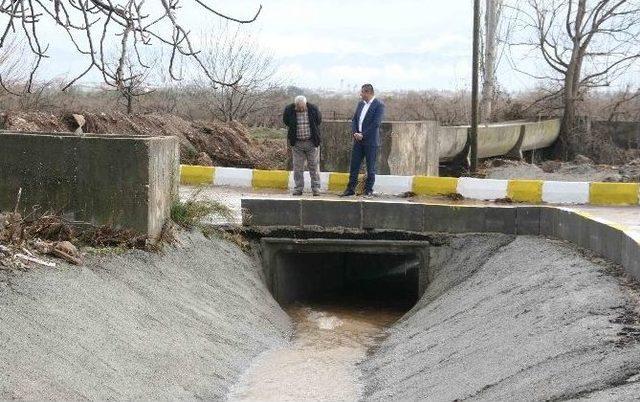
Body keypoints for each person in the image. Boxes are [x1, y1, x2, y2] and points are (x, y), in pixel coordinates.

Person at [340, 83, 385, 197]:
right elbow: (355, 119)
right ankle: (350, 189)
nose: (361, 94)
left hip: (370, 141)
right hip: (358, 141)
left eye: (362, 92)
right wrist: (355, 132)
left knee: (371, 167)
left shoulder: (379, 105)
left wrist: (363, 135)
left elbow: (376, 123)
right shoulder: (360, 104)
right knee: (354, 165)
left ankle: (368, 190)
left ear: (369, 92)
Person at [283, 95, 322, 196]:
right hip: (297, 143)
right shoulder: (289, 109)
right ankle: (298, 188)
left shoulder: (313, 109)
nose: (300, 109)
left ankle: (316, 188)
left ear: (306, 104)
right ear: (295, 105)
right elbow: (286, 121)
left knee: (313, 166)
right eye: (298, 107)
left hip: (312, 143)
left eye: (302, 107)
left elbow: (318, 120)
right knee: (297, 167)